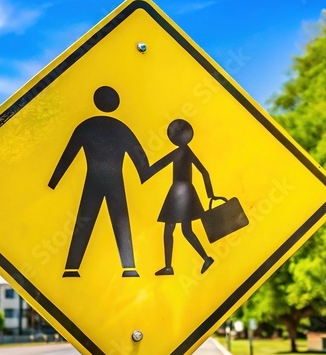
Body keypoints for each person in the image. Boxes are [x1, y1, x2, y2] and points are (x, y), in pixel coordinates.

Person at [48, 86, 150, 278]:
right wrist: (146, 175)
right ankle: (129, 268)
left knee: (84, 221)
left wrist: (54, 182)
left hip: (93, 180)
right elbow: (141, 159)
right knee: (121, 221)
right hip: (115, 182)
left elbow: (67, 156)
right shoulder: (122, 129)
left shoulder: (86, 126)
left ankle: (71, 269)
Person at [146, 119, 215, 275]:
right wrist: (210, 194)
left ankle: (169, 267)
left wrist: (143, 171)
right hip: (187, 193)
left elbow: (157, 166)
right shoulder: (187, 152)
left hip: (178, 194)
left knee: (169, 230)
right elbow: (204, 172)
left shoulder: (179, 152)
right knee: (186, 231)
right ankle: (206, 258)